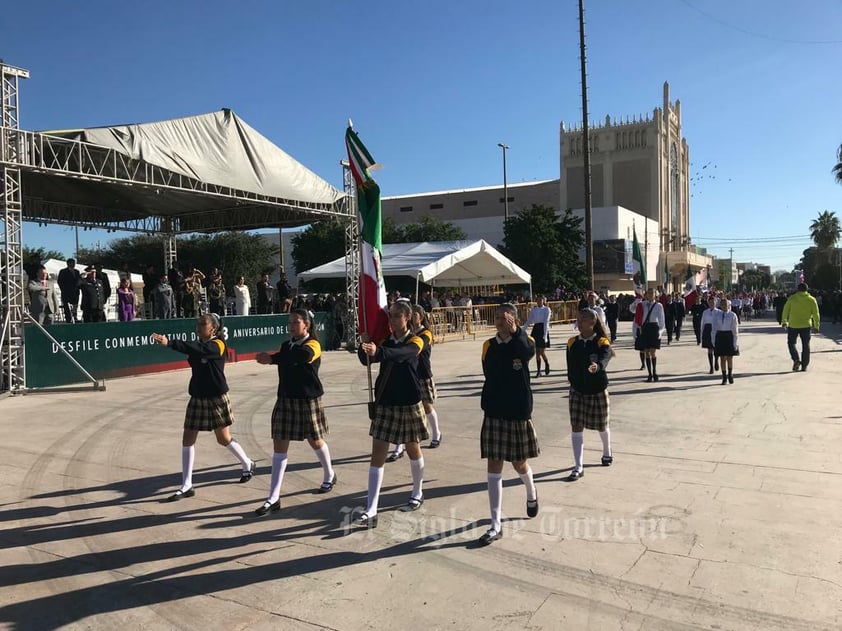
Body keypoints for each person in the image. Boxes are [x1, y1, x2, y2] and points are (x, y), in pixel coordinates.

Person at [151, 313, 255, 501]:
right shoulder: (199, 346)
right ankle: (187, 484)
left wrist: (170, 342)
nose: (198, 327)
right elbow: (195, 349)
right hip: (198, 396)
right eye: (197, 324)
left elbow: (199, 349)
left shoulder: (218, 344)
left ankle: (247, 463)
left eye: (202, 324)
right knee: (187, 438)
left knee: (223, 439)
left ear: (213, 328)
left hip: (216, 397)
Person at [252, 309, 336, 517]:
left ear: (306, 325)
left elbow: (303, 356)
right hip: (285, 399)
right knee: (279, 447)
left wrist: (272, 359)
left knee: (315, 440)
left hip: (307, 400)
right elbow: (286, 357)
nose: (291, 326)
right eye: (289, 322)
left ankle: (329, 473)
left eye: (295, 322)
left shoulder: (313, 345)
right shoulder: (286, 345)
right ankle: (273, 497)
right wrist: (275, 358)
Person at [354, 301, 428, 528]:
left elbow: (404, 354)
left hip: (408, 402)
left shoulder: (417, 340)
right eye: (391, 316)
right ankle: (371, 508)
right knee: (377, 453)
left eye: (397, 316)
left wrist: (379, 350)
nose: (392, 320)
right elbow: (368, 359)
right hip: (386, 402)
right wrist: (365, 346)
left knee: (413, 447)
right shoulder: (385, 341)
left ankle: (417, 492)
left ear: (408, 318)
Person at [478, 303, 539, 546]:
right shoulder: (489, 346)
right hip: (494, 410)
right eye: (496, 318)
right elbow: (489, 372)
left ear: (514, 319)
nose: (499, 321)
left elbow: (527, 354)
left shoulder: (525, 340)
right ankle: (495, 523)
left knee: (519, 463)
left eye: (503, 317)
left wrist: (516, 334)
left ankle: (531, 493)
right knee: (494, 465)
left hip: (517, 411)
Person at [566, 308, 613, 481]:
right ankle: (578, 466)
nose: (579, 322)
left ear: (592, 323)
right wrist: (573, 382)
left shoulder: (601, 342)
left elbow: (605, 357)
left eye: (583, 320)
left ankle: (607, 451)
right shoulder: (572, 342)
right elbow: (570, 366)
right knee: (576, 426)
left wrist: (598, 366)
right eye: (578, 319)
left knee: (602, 425)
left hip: (597, 389)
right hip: (577, 390)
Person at [412, 304, 442, 448]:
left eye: (415, 315)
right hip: (411, 374)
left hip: (423, 373)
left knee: (427, 406)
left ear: (421, 317)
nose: (412, 318)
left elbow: (419, 347)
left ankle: (436, 433)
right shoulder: (409, 333)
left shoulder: (426, 333)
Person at [781, 282, 820, 372]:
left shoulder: (792, 298)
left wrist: (784, 321)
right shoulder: (811, 300)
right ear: (807, 290)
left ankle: (796, 359)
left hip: (793, 325)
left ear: (797, 290)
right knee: (806, 345)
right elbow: (816, 313)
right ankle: (804, 365)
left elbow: (785, 310)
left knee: (791, 343)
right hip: (806, 325)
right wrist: (817, 325)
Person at [636, 288, 665, 382]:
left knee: (653, 352)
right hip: (645, 328)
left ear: (655, 295)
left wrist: (660, 333)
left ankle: (655, 372)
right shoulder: (642, 304)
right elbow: (633, 309)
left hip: (654, 328)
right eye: (648, 293)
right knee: (646, 352)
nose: (650, 295)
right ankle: (649, 374)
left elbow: (661, 320)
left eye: (652, 293)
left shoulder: (658, 305)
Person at [711, 299, 739, 384]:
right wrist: (713, 340)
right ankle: (724, 377)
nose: (724, 306)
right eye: (722, 305)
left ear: (728, 305)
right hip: (720, 336)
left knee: (729, 357)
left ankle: (730, 374)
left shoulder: (732, 315)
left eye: (725, 304)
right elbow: (714, 328)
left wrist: (735, 342)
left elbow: (735, 330)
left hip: (729, 336)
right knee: (722, 358)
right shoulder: (717, 315)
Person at [524, 295, 551, 377]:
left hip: (543, 329)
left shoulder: (546, 309)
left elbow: (546, 322)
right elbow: (529, 321)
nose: (539, 302)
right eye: (538, 300)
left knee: (542, 351)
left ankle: (546, 363)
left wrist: (545, 335)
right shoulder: (534, 310)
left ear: (543, 301)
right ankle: (538, 371)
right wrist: (522, 329)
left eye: (541, 300)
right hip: (536, 329)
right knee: (537, 352)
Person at [700, 295, 720, 374]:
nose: (711, 303)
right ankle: (711, 367)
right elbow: (703, 323)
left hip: (716, 329)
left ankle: (716, 361)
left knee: (716, 348)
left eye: (713, 302)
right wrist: (701, 334)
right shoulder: (705, 312)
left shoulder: (719, 312)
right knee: (709, 349)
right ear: (708, 303)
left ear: (715, 303)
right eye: (710, 302)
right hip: (707, 330)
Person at [57, 258, 81, 323]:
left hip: (75, 293)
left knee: (75, 306)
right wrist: (64, 289)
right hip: (66, 293)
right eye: (72, 263)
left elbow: (78, 281)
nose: (73, 264)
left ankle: (75, 317)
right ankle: (68, 319)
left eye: (74, 263)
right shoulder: (63, 271)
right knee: (67, 307)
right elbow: (60, 282)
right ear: (68, 264)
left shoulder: (77, 272)